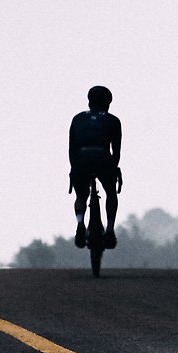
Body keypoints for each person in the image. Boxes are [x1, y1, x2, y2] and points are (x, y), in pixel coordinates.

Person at [69, 85, 122, 249]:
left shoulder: (77, 119)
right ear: (108, 103)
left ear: (89, 101)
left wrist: (74, 168)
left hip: (81, 160)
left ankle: (80, 223)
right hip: (103, 158)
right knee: (111, 193)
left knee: (81, 196)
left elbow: (71, 149)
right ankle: (110, 229)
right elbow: (116, 151)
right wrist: (114, 169)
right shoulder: (113, 120)